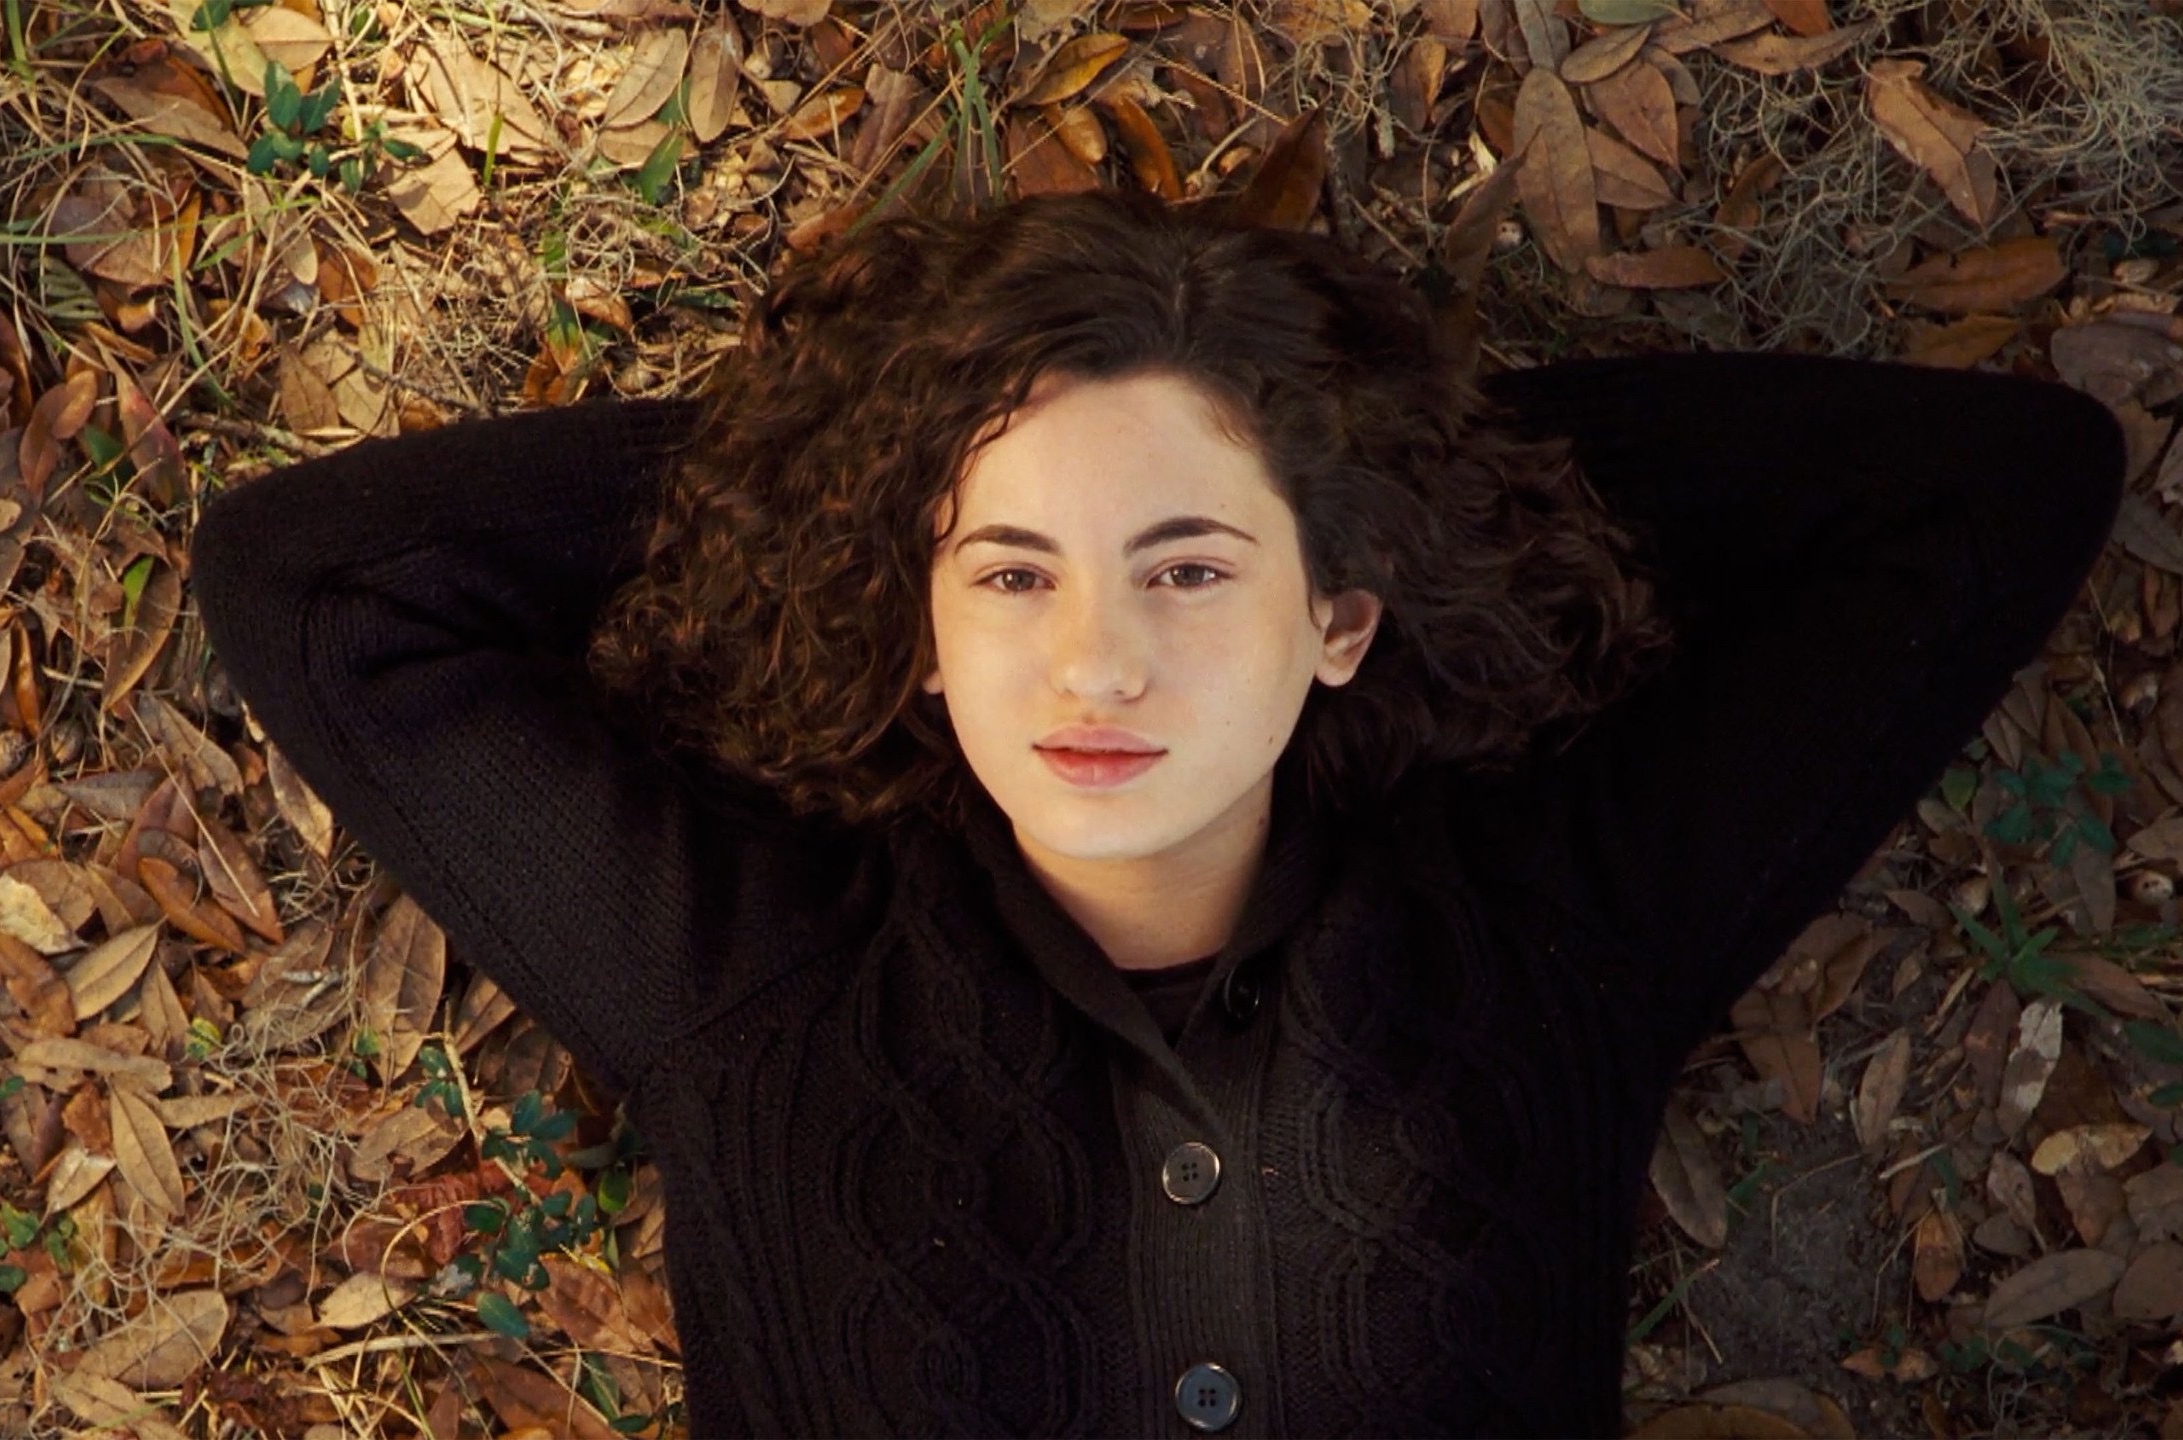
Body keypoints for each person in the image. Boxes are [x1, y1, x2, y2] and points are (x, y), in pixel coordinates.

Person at [186, 185, 2125, 1437]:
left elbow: (1988, 487)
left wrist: (1347, 439)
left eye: (1189, 568)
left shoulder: (1553, 935)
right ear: (917, 626)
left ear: (1339, 617)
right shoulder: (750, 979)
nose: (1095, 663)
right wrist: (876, 438)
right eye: (1010, 571)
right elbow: (320, 581)